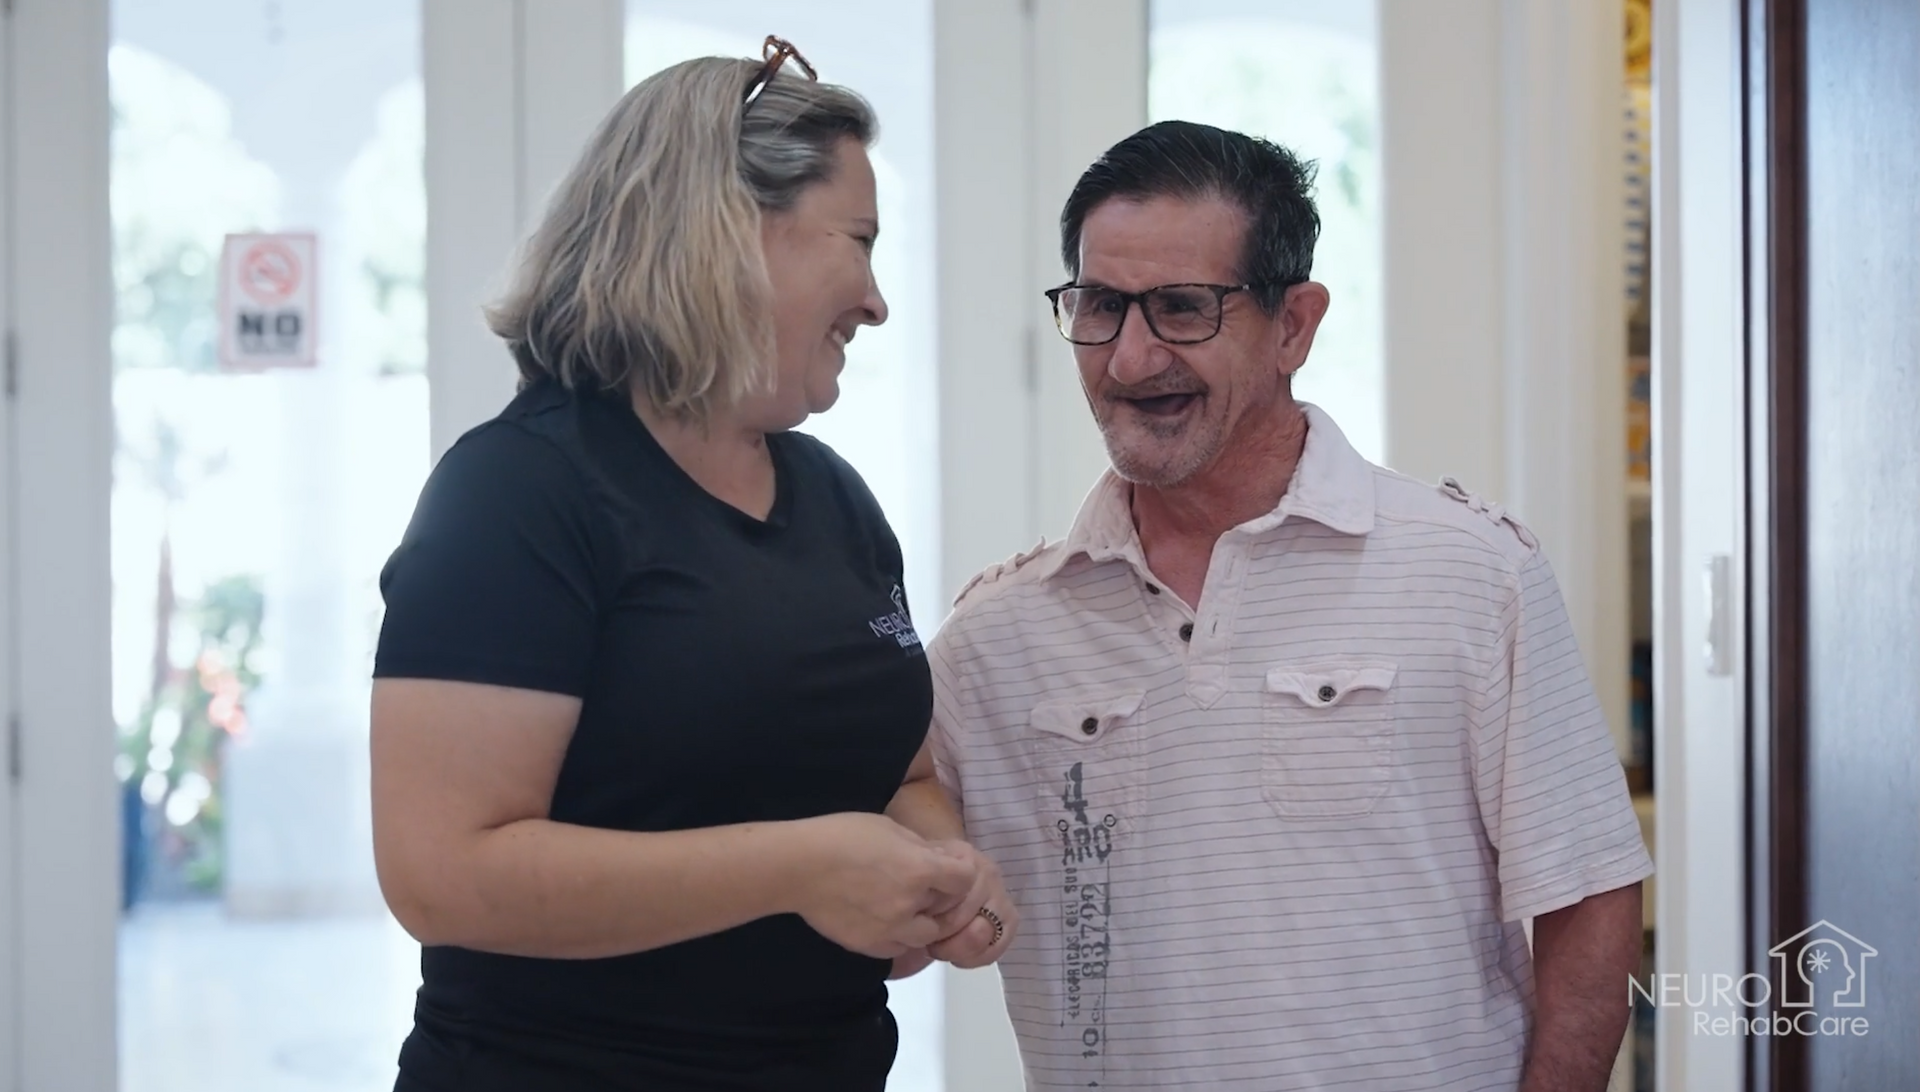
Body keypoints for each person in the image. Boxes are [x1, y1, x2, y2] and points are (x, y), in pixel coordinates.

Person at [928, 121, 1654, 1091]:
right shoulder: (994, 637)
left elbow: (1589, 893)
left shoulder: (1475, 575)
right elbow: (891, 881)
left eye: (1182, 309)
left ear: (1294, 326)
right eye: (1100, 306)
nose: (1131, 360)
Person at [370, 38, 1014, 1092]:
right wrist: (802, 869)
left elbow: (896, 775)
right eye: (857, 242)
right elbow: (442, 874)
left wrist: (939, 871)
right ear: (726, 232)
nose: (876, 300)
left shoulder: (836, 500)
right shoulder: (518, 492)